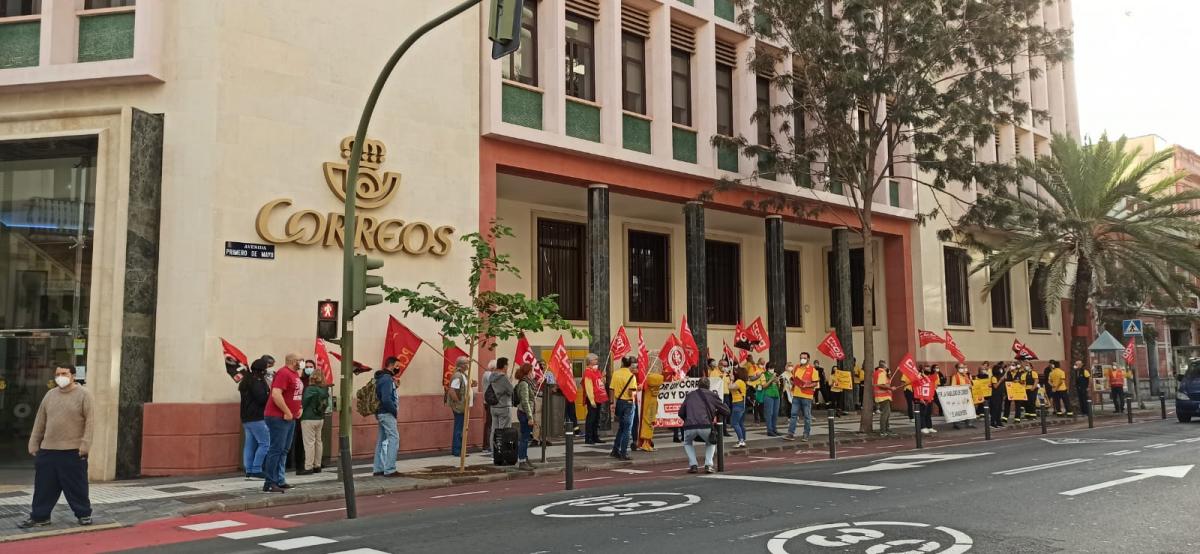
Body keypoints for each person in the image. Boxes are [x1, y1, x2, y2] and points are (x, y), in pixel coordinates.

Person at [19, 364, 94, 529]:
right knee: (43, 486)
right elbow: (40, 420)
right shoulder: (50, 395)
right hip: (48, 449)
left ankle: (84, 514)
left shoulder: (84, 394)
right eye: (58, 374)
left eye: (64, 373)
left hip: (73, 450)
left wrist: (85, 445)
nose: (60, 376)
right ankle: (40, 516)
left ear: (73, 375)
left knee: (76, 486)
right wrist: (33, 443)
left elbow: (90, 422)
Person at [262, 354, 303, 493]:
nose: (302, 363)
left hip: (289, 417)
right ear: (293, 361)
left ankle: (279, 479)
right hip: (278, 417)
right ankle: (270, 482)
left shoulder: (295, 374)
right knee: (276, 449)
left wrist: (299, 408)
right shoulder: (283, 373)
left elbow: (296, 394)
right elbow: (276, 394)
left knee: (284, 449)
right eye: (300, 360)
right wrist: (286, 411)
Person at [677, 377, 730, 474]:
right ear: (709, 386)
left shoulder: (690, 395)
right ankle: (708, 465)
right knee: (711, 442)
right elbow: (726, 411)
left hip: (689, 426)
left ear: (698, 385)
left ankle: (693, 465)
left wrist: (689, 419)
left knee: (687, 443)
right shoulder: (712, 395)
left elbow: (680, 413)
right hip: (705, 425)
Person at [239, 357, 272, 480]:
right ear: (262, 370)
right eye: (266, 368)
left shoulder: (247, 380)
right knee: (265, 444)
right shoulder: (257, 382)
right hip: (257, 417)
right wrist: (269, 394)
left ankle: (248, 470)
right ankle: (256, 470)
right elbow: (261, 399)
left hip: (246, 418)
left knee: (250, 444)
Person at [371, 357, 401, 476]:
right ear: (391, 365)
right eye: (397, 365)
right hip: (387, 413)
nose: (398, 368)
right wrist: (394, 411)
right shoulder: (387, 379)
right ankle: (390, 469)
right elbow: (386, 399)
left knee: (381, 440)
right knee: (394, 438)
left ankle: (378, 469)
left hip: (381, 413)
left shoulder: (382, 378)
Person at [609, 356, 639, 460]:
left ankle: (615, 449)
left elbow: (611, 389)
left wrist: (612, 403)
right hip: (629, 404)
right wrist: (637, 390)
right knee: (627, 429)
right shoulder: (632, 376)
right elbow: (631, 393)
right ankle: (623, 452)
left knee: (621, 428)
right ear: (630, 365)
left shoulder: (616, 373)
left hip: (619, 403)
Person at [299, 369, 329, 475]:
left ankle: (308, 467)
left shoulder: (310, 389)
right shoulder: (324, 389)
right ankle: (317, 465)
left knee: (309, 443)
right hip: (320, 418)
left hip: (308, 417)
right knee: (318, 442)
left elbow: (304, 402)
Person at [484, 357, 514, 456]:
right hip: (504, 407)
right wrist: (510, 381)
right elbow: (511, 391)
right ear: (504, 365)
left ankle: (494, 451)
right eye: (507, 365)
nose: (508, 367)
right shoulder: (503, 377)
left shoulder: (491, 376)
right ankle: (501, 452)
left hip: (494, 407)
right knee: (504, 431)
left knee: (494, 430)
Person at [785, 353, 818, 442]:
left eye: (804, 358)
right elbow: (793, 378)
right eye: (801, 358)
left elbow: (815, 383)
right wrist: (792, 381)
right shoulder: (796, 367)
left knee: (807, 416)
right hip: (796, 395)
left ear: (808, 359)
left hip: (807, 396)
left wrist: (806, 385)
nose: (802, 359)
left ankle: (806, 435)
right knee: (793, 415)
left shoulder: (812, 370)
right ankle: (790, 434)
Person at [446, 356, 474, 456]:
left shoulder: (463, 375)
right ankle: (458, 450)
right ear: (462, 365)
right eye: (467, 363)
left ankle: (459, 449)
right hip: (460, 406)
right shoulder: (457, 375)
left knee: (461, 427)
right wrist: (458, 402)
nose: (468, 365)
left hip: (464, 405)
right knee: (459, 428)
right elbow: (452, 391)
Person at [514, 362, 538, 471]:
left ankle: (525, 458)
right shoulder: (524, 384)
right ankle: (522, 461)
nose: (533, 373)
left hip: (525, 413)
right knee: (524, 438)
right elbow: (525, 401)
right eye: (532, 371)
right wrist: (530, 417)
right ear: (528, 372)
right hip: (524, 413)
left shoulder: (527, 383)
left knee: (526, 437)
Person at [638, 364, 665, 452]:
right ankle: (647, 442)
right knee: (651, 422)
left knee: (647, 421)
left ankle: (645, 442)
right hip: (653, 404)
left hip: (647, 403)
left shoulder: (648, 378)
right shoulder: (659, 378)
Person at [582, 354, 606, 445]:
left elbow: (601, 383)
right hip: (592, 399)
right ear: (590, 361)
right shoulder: (588, 372)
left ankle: (595, 436)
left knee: (596, 418)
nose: (597, 361)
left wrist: (603, 377)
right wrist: (592, 400)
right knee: (591, 418)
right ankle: (588, 438)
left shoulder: (597, 371)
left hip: (599, 398)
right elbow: (588, 388)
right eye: (595, 359)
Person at [873, 361, 896, 437]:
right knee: (885, 414)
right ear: (884, 366)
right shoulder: (882, 373)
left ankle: (886, 429)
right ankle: (883, 431)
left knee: (887, 413)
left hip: (880, 396)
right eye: (886, 365)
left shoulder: (877, 372)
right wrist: (890, 388)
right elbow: (881, 385)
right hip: (883, 396)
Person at [949, 363, 975, 429]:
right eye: (960, 367)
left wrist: (970, 386)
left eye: (963, 367)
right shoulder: (955, 376)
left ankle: (969, 423)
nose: (962, 369)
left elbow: (970, 384)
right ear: (957, 369)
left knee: (969, 409)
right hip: (959, 397)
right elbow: (953, 387)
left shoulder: (966, 376)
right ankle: (956, 424)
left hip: (967, 396)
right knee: (958, 410)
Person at [760, 363, 782, 436]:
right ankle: (769, 430)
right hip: (768, 395)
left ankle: (774, 429)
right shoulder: (764, 375)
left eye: (773, 368)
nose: (772, 369)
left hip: (776, 395)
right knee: (769, 413)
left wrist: (778, 382)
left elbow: (778, 387)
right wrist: (771, 379)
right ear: (768, 368)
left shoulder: (775, 375)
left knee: (775, 414)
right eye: (771, 368)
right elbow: (764, 386)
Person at [730, 366, 748, 448]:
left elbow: (730, 387)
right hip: (742, 403)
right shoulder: (743, 382)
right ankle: (743, 439)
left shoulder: (739, 382)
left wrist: (731, 380)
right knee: (740, 423)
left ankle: (741, 440)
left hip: (737, 403)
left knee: (734, 423)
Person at [481, 360, 496, 455]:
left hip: (489, 401)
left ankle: (488, 444)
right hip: (489, 402)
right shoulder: (488, 375)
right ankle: (487, 445)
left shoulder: (488, 374)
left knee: (490, 423)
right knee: (490, 424)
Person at [989, 363, 1006, 428]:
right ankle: (992, 422)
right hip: (995, 395)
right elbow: (995, 386)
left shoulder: (1000, 376)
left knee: (999, 409)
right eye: (1000, 369)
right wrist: (1000, 380)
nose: (1001, 370)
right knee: (995, 409)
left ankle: (999, 422)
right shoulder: (994, 377)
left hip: (1000, 394)